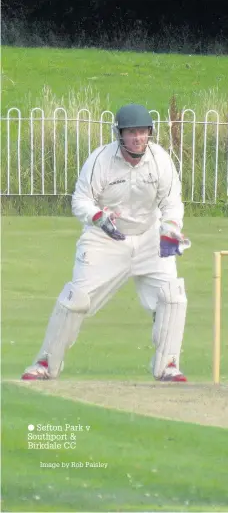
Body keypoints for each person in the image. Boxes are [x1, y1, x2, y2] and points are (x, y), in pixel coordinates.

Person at [21, 104, 191, 382]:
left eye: (143, 132)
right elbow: (81, 200)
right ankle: (45, 362)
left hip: (149, 237)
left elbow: (172, 202)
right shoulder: (101, 160)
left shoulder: (160, 160)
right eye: (131, 132)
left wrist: (170, 230)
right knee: (76, 299)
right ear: (120, 135)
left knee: (172, 295)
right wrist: (98, 216)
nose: (138, 138)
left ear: (150, 134)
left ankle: (168, 365)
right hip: (105, 238)